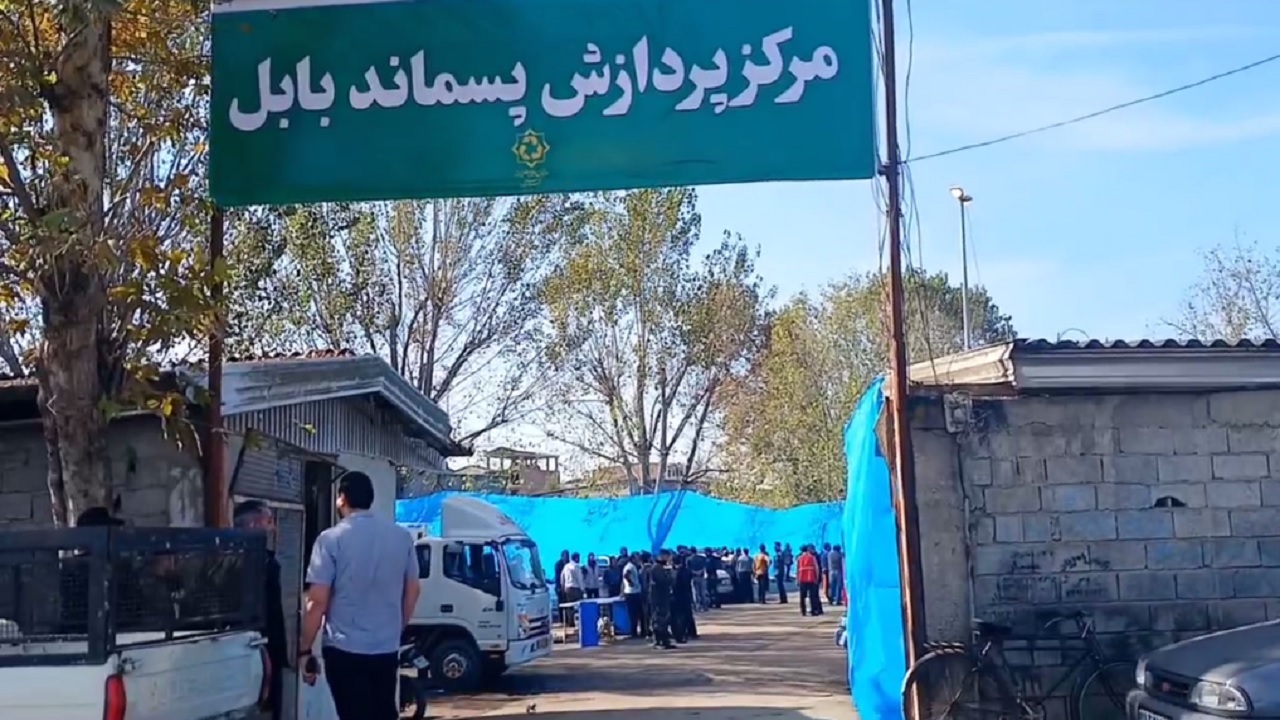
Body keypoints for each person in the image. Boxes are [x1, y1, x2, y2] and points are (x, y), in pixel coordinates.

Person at [300, 471, 420, 720]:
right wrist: (396, 627)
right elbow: (412, 590)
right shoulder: (401, 537)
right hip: (385, 647)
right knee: (383, 713)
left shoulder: (330, 540)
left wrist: (304, 648)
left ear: (342, 498)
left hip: (344, 648)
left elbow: (317, 601)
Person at [234, 500, 289, 720]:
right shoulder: (257, 563)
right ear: (253, 524)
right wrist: (273, 653)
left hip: (250, 649)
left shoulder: (228, 557)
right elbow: (270, 613)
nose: (272, 528)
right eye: (268, 521)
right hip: (258, 650)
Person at [647, 550, 675, 649]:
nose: (668, 559)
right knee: (658, 619)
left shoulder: (662, 567)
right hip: (658, 598)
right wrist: (670, 575)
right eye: (667, 557)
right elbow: (662, 581)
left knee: (665, 619)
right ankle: (658, 641)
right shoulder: (656, 568)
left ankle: (665, 640)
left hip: (663, 597)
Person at [671, 554, 697, 643]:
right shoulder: (686, 571)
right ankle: (690, 632)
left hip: (677, 596)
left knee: (678, 616)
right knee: (687, 614)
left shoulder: (674, 572)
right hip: (686, 595)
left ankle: (680, 633)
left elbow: (674, 585)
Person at [622, 553, 645, 639]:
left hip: (635, 592)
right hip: (632, 593)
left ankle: (640, 631)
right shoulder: (630, 566)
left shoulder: (633, 566)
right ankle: (634, 633)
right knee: (634, 614)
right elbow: (626, 575)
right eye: (636, 558)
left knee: (638, 613)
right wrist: (631, 583)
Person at [797, 544, 824, 617]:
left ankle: (803, 611)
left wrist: (798, 579)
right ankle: (814, 610)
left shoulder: (799, 558)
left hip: (802, 578)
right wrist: (817, 578)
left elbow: (798, 569)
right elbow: (816, 568)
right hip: (811, 578)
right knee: (812, 596)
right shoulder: (812, 557)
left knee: (802, 596)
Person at [687, 547, 708, 612]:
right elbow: (704, 567)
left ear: (691, 551)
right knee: (702, 592)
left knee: (696, 592)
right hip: (701, 577)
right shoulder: (702, 558)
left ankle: (697, 606)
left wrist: (694, 572)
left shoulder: (689, 559)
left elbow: (688, 569)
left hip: (694, 577)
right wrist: (700, 572)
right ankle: (705, 606)